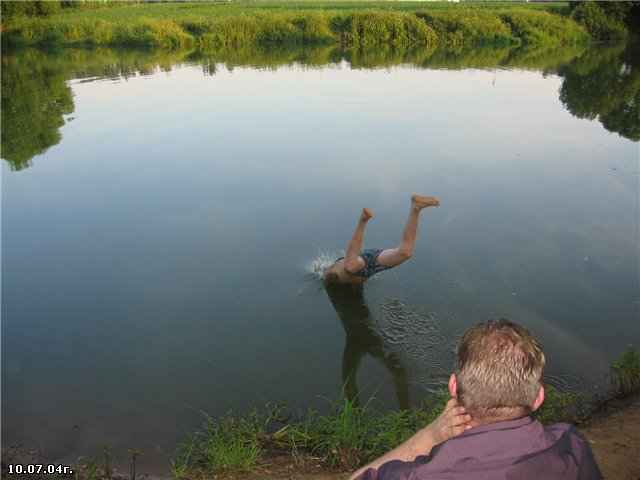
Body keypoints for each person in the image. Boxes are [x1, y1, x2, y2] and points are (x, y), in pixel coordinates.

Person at [350, 319, 603, 480]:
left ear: (453, 387)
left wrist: (429, 437)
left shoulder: (419, 474)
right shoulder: (571, 446)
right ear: (538, 398)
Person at [323, 195, 440, 284]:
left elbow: (327, 275)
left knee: (350, 267)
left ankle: (363, 220)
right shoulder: (342, 269)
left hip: (360, 263)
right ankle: (416, 208)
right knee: (405, 253)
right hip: (370, 266)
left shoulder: (336, 268)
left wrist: (326, 277)